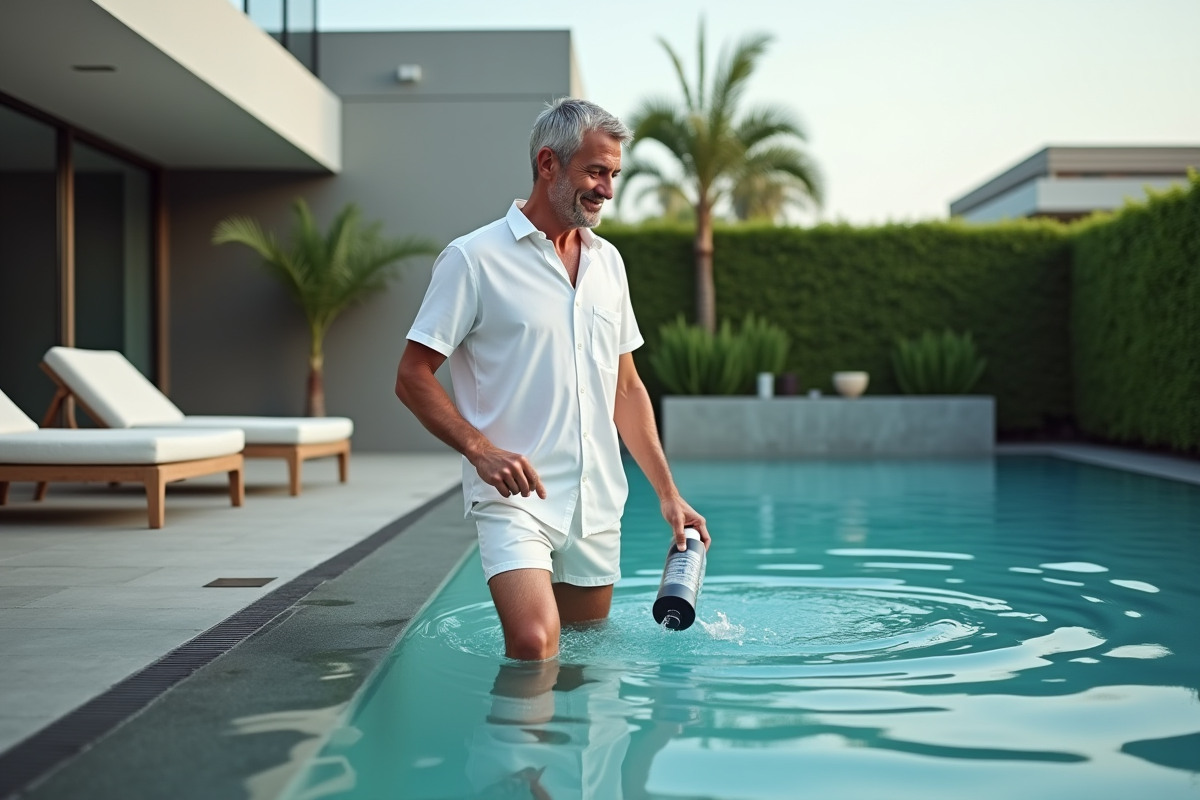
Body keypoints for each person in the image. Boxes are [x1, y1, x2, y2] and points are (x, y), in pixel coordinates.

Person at [395, 98, 711, 661]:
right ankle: (515, 751)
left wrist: (668, 494)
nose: (607, 190)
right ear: (548, 163)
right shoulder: (473, 259)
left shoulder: (608, 264)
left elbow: (627, 387)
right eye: (595, 172)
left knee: (582, 659)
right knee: (536, 642)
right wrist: (480, 450)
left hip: (596, 499)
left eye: (613, 174)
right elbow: (412, 375)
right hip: (515, 498)